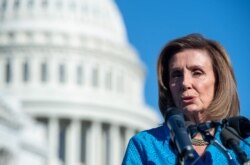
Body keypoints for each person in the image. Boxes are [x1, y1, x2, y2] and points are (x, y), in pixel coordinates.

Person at [122, 34, 250, 164]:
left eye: (197, 72)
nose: (185, 83)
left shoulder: (244, 146)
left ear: (219, 82)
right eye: (177, 75)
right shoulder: (144, 146)